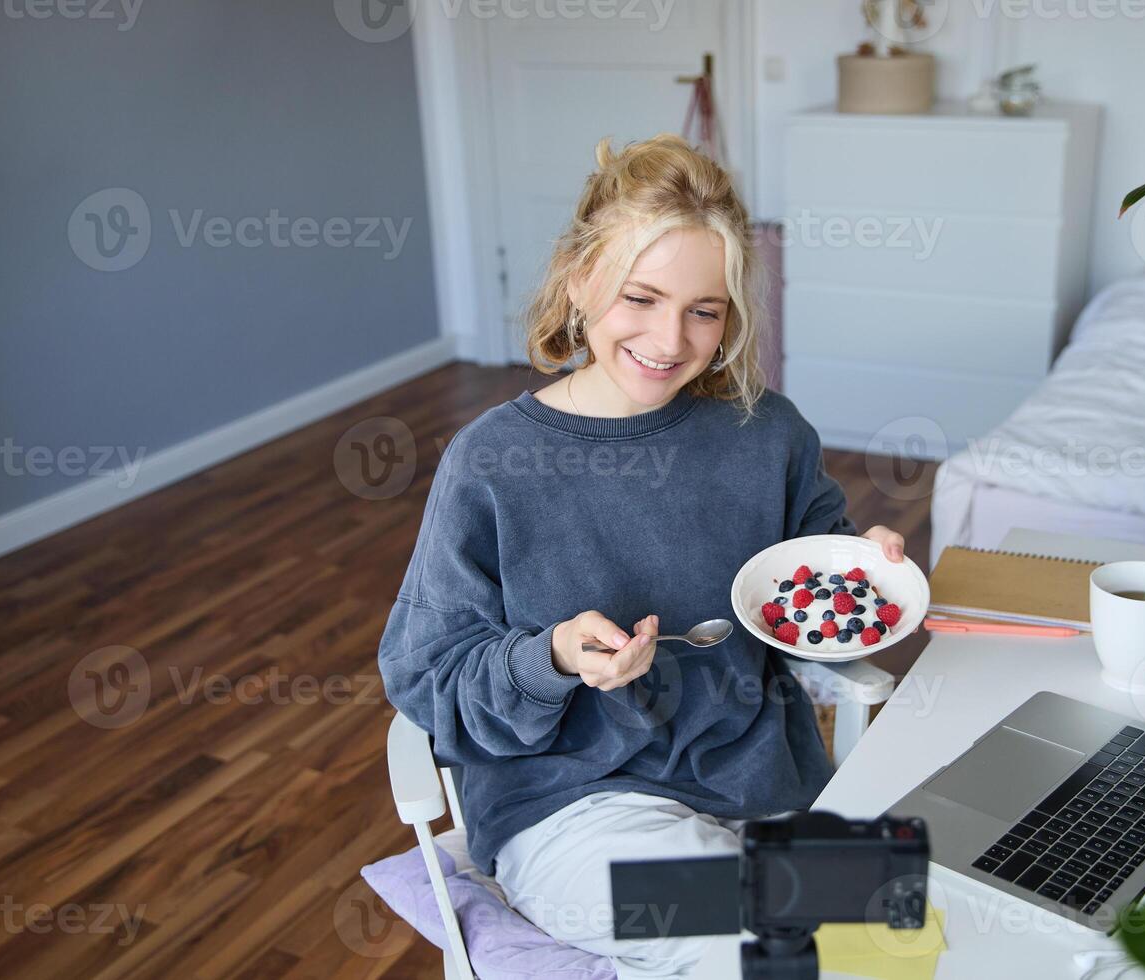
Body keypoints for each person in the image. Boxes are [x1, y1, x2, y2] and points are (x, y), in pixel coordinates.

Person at [378, 133, 907, 978]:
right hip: (570, 812)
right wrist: (546, 657)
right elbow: (426, 675)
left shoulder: (765, 432)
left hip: (761, 784)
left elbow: (817, 575)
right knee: (785, 946)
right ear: (577, 279)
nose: (671, 338)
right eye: (641, 297)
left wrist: (862, 573)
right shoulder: (491, 462)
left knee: (916, 927)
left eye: (706, 309)